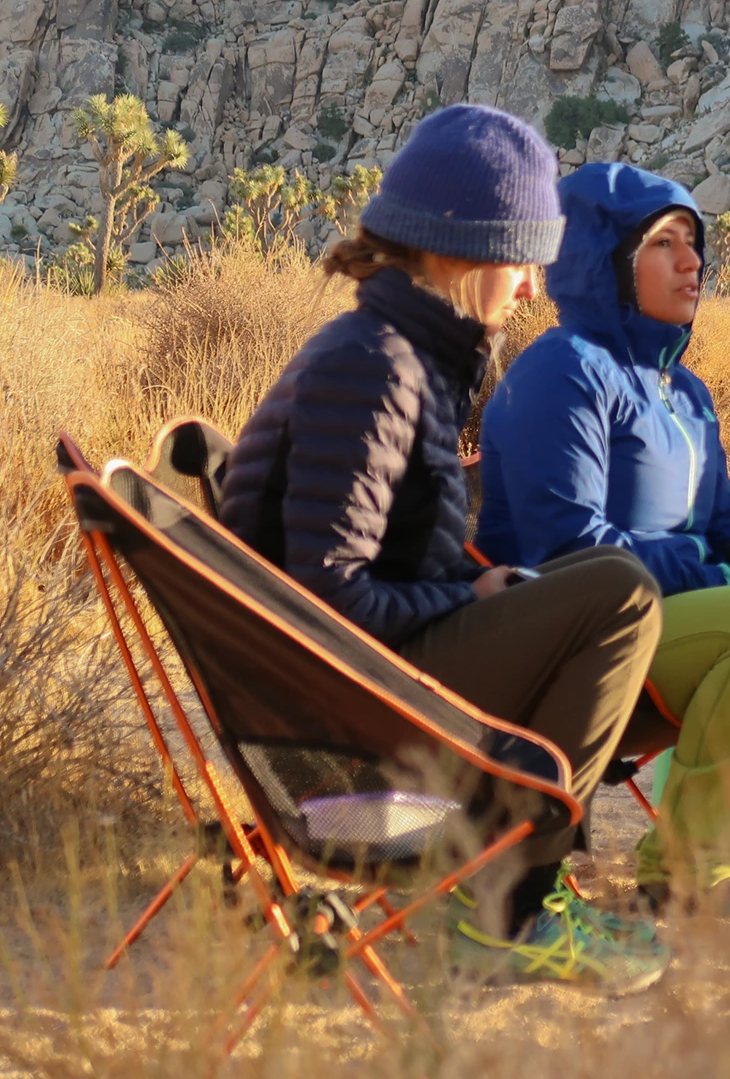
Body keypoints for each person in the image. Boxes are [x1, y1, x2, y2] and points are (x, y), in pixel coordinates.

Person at [220, 104, 670, 993]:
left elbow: (370, 558)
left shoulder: (398, 357)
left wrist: (476, 583)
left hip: (359, 689)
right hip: (346, 729)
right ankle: (512, 908)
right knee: (618, 593)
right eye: (523, 261)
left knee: (593, 578)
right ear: (465, 252)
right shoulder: (374, 367)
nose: (532, 290)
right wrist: (470, 600)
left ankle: (516, 884)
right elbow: (329, 598)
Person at [476, 162, 730, 921]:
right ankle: (681, 868)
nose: (691, 261)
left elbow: (717, 522)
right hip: (579, 634)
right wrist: (714, 568)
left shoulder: (685, 389)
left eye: (692, 243)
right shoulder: (563, 372)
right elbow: (571, 547)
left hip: (671, 617)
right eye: (663, 244)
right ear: (604, 261)